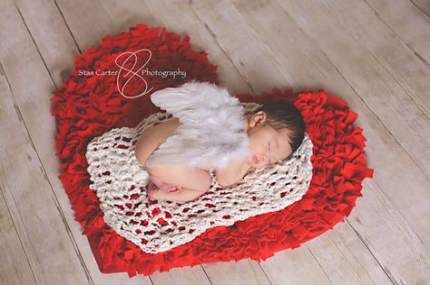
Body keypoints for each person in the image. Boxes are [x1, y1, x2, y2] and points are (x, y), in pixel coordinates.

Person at [135, 80, 305, 203]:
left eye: (271, 160)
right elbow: (225, 179)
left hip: (147, 140)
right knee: (203, 184)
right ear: (258, 119)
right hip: (160, 161)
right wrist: (246, 163)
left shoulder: (228, 112)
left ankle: (159, 176)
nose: (263, 158)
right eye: (269, 147)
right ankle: (159, 193)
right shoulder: (237, 144)